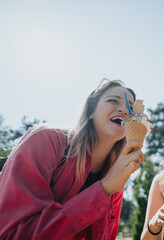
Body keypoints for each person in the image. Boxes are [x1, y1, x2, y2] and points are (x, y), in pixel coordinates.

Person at [0, 79, 145, 239]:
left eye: (131, 108)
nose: (125, 110)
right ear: (91, 111)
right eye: (113, 101)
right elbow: (14, 234)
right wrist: (104, 189)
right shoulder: (45, 141)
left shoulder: (117, 172)